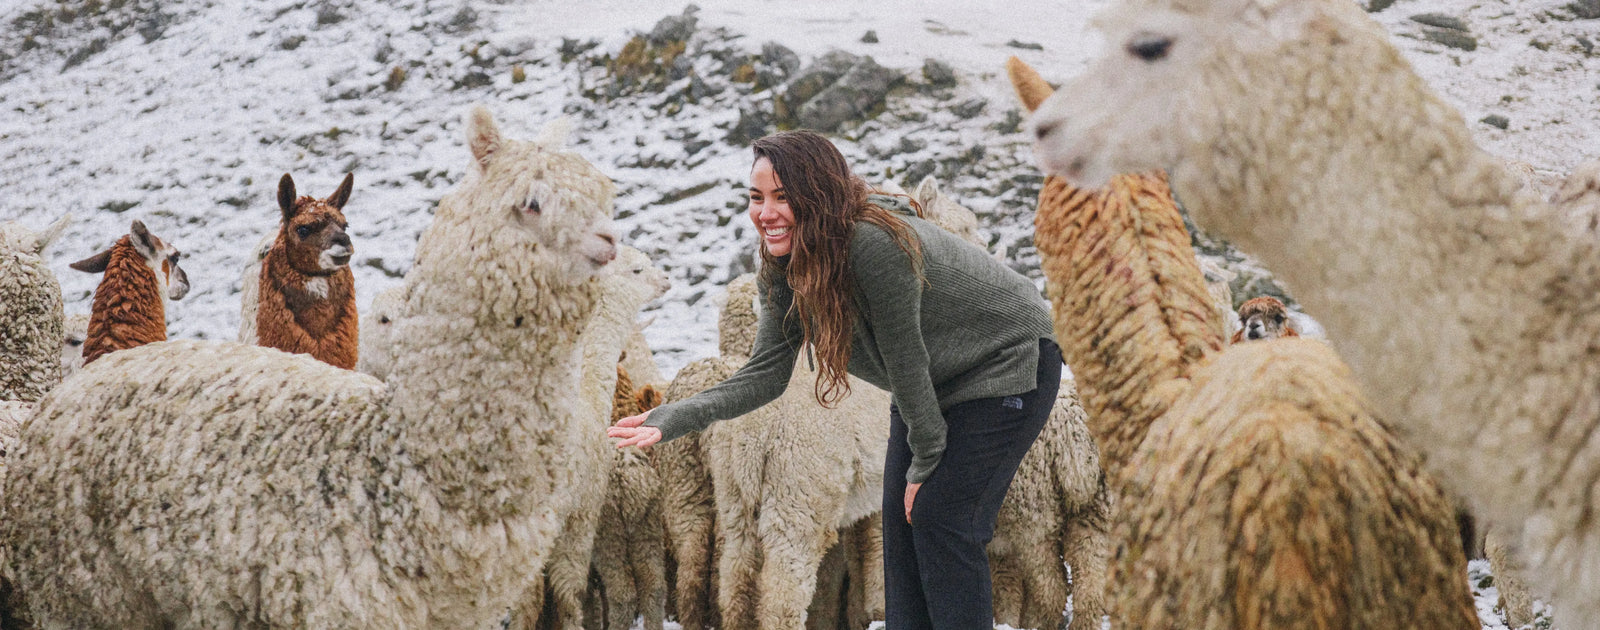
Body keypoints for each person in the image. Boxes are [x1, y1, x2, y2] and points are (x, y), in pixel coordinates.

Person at [608, 130, 1060, 629]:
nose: (766, 213)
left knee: (940, 518)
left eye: (783, 197)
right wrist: (672, 416)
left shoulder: (872, 245)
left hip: (1008, 363)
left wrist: (925, 465)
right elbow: (764, 374)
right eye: (756, 198)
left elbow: (905, 361)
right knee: (901, 531)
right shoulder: (785, 266)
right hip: (933, 383)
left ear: (818, 194)